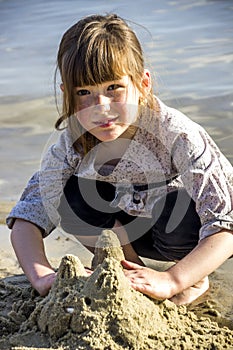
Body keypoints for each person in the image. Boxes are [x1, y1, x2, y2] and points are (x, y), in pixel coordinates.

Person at [7, 14, 233, 305]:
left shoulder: (178, 135)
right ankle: (128, 270)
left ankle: (192, 280)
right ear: (67, 94)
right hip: (132, 228)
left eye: (114, 87)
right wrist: (41, 276)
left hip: (187, 232)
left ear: (143, 83)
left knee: (175, 208)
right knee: (71, 194)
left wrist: (172, 279)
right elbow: (27, 216)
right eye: (84, 92)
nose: (101, 107)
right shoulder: (71, 145)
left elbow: (225, 224)